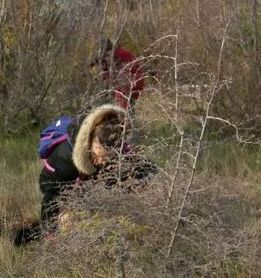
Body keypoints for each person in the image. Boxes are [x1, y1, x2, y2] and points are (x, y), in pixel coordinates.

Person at [13, 104, 155, 245]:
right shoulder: (64, 158)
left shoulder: (116, 145)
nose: (106, 161)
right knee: (68, 221)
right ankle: (30, 234)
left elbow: (147, 169)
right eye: (101, 155)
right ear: (90, 142)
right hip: (66, 184)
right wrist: (50, 234)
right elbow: (50, 195)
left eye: (111, 155)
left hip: (89, 184)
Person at [92, 39, 145, 110]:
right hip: (134, 83)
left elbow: (125, 76)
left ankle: (126, 118)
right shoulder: (115, 55)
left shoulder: (119, 55)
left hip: (131, 83)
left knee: (124, 109)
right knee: (126, 107)